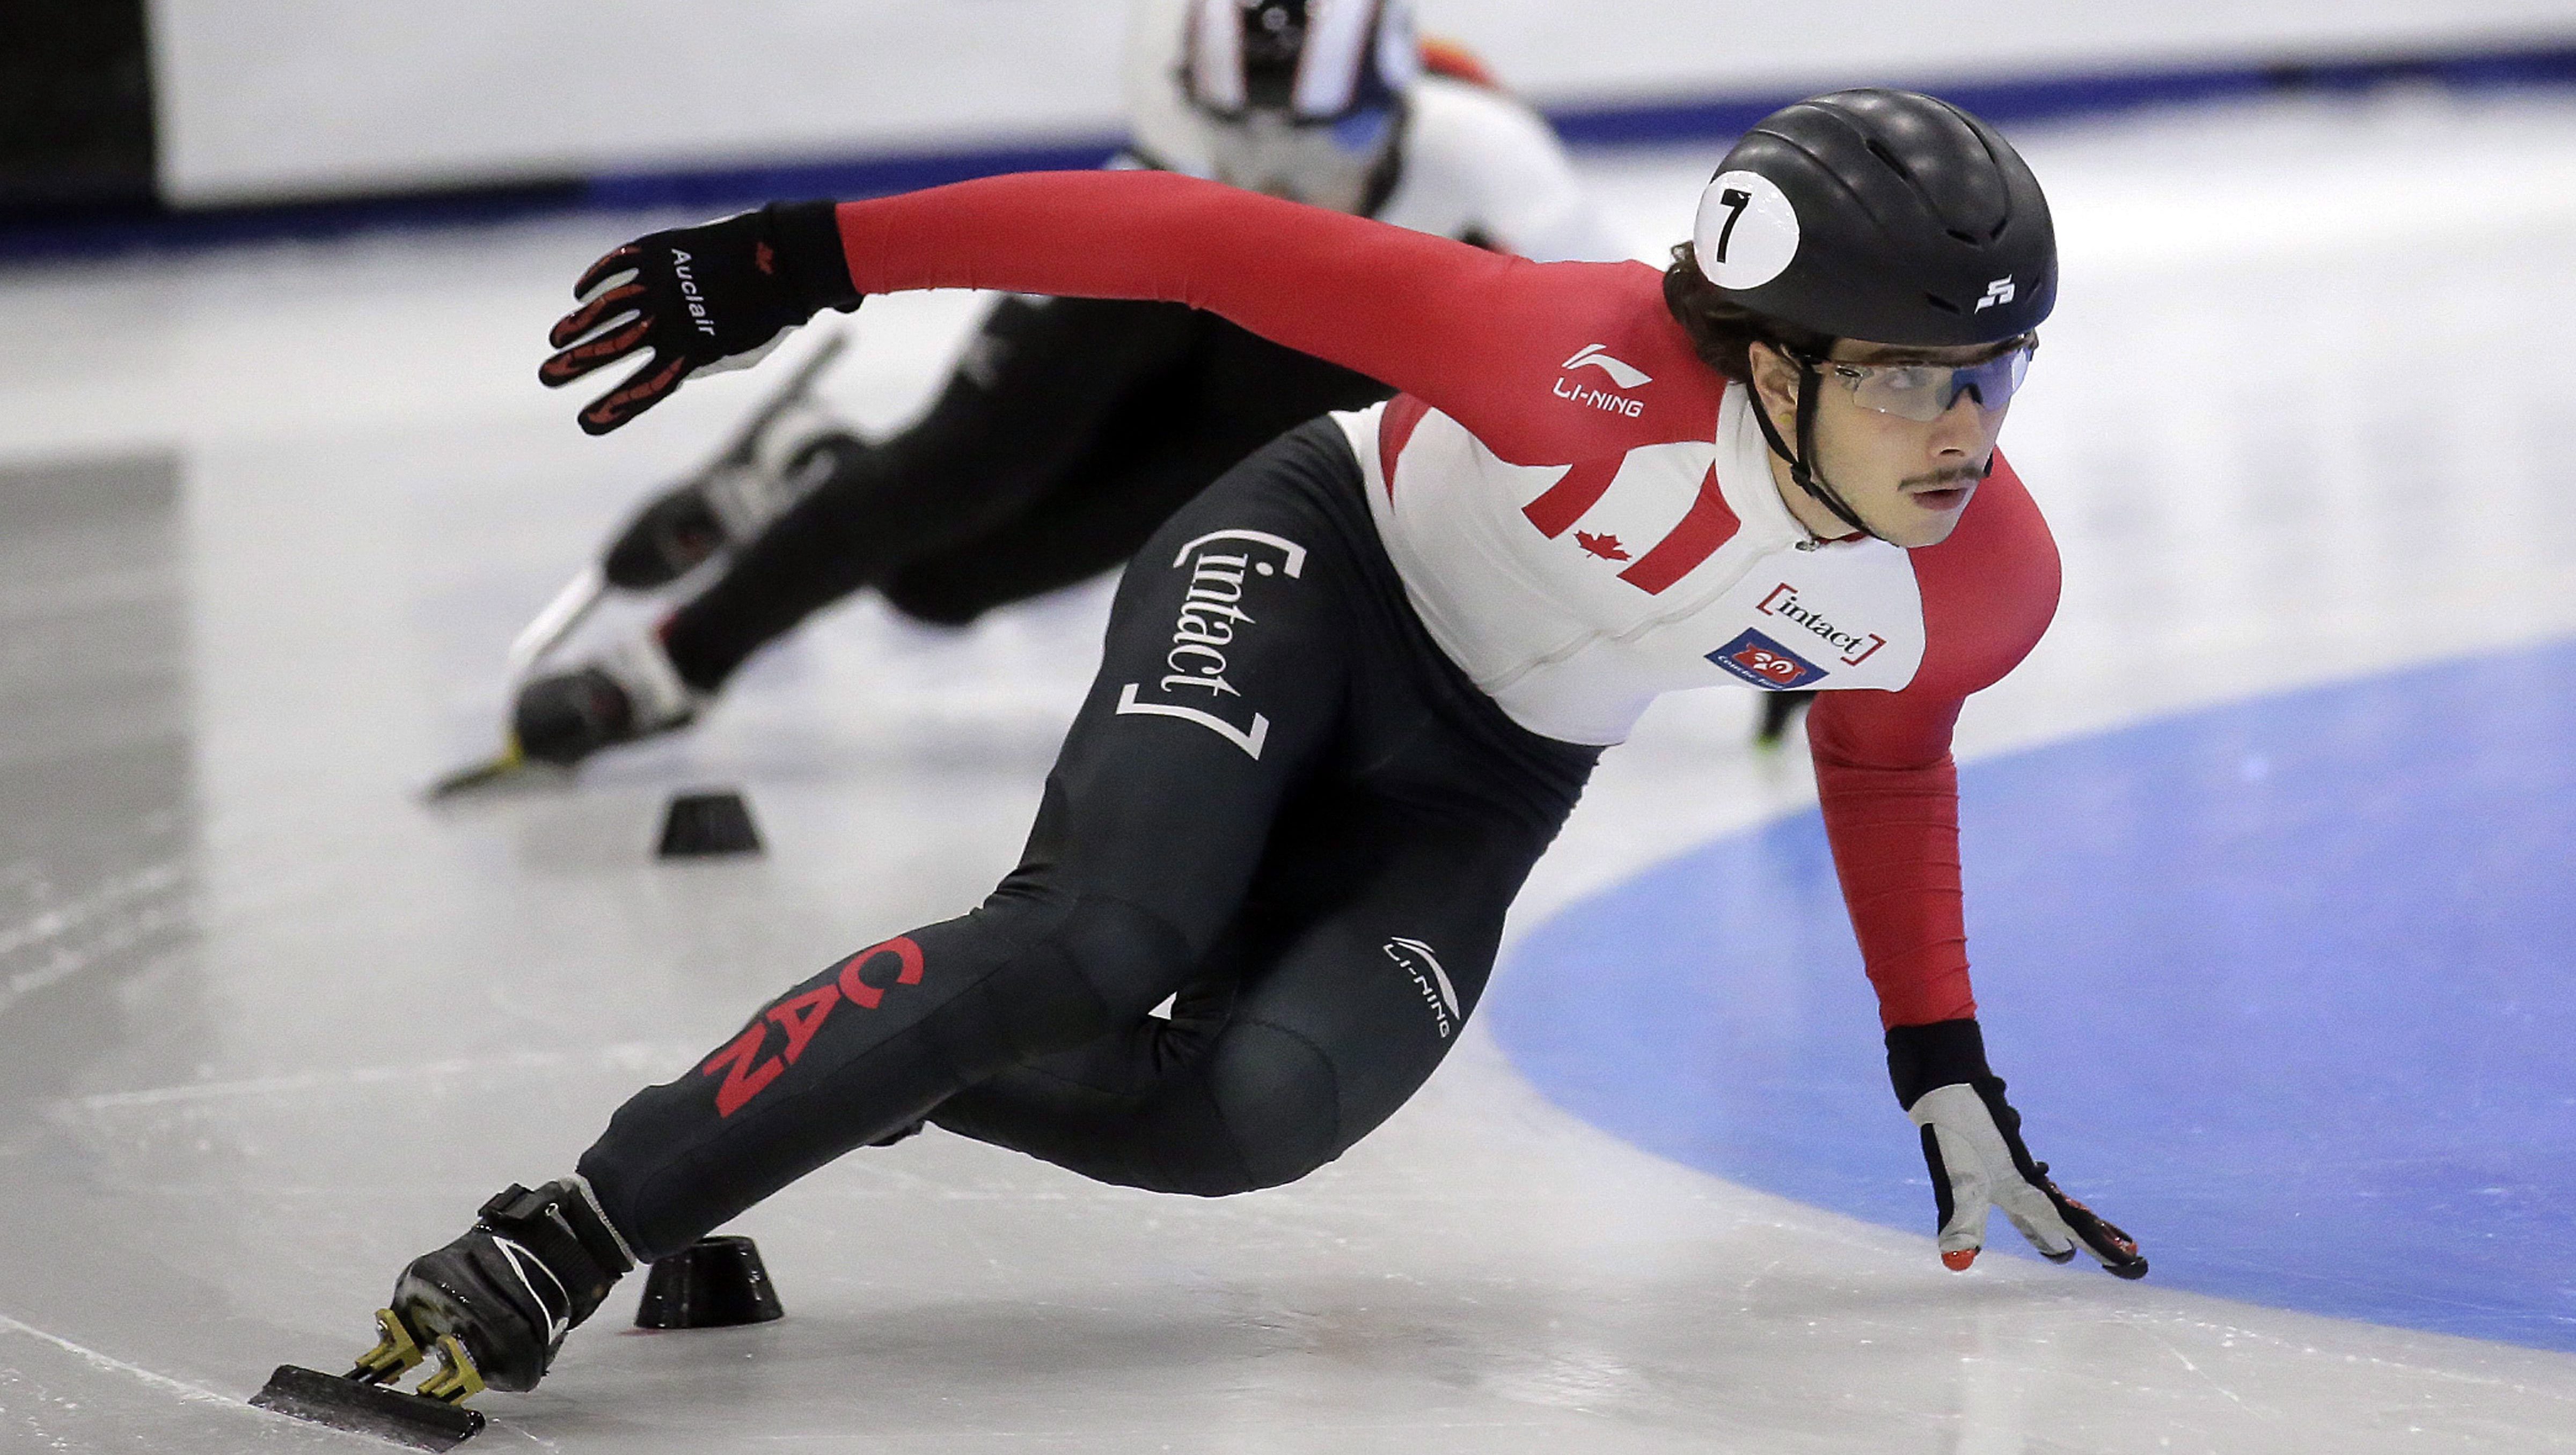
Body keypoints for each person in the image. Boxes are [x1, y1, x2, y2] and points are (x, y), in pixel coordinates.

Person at [365, 87, 2149, 1408]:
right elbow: (1194, 245)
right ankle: (571, 1227)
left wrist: (1939, 1058)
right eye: (1911, 374)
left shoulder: (1986, 584)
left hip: (1493, 772)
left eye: (1999, 376)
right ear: (1767, 365)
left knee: (1253, 1113)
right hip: (1316, 568)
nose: (1964, 431)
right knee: (1101, 937)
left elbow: (1892, 761)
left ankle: (881, 1054)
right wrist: (802, 259)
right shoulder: (1560, 357)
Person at [508, 0, 1634, 770]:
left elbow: (1620, 388)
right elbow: (999, 229)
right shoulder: (1171, 142)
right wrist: (797, 262)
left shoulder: (1492, 163)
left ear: (1405, 91)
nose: (1283, 175)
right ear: (1191, 111)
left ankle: (807, 473)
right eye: (1239, 131)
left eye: (1329, 130)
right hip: (1166, 278)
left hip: (1281, 375)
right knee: (961, 467)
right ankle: (681, 660)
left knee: (939, 589)